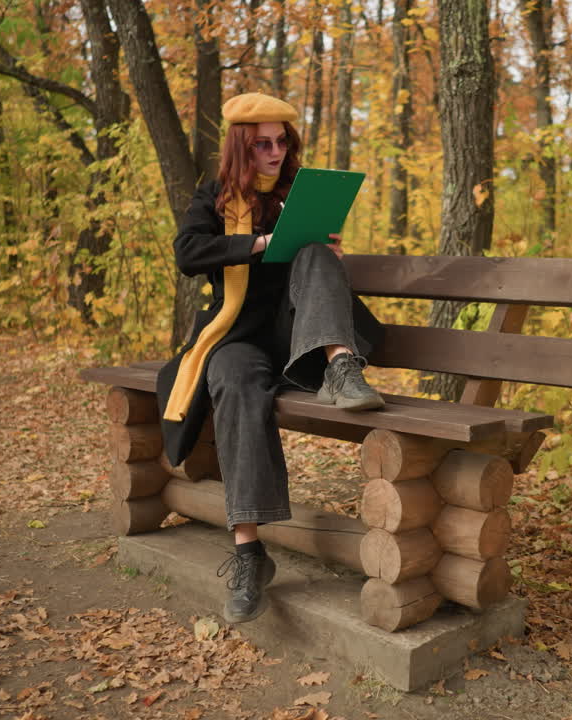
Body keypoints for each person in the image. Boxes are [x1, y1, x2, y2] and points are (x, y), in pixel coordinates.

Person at [155, 92, 385, 624]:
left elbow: (311, 265)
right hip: (236, 336)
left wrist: (327, 254)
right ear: (242, 146)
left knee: (315, 252)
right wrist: (259, 244)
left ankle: (342, 367)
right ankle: (249, 553)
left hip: (300, 338)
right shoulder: (213, 197)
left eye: (282, 142)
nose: (276, 152)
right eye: (263, 144)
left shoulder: (298, 193)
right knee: (231, 383)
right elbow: (188, 254)